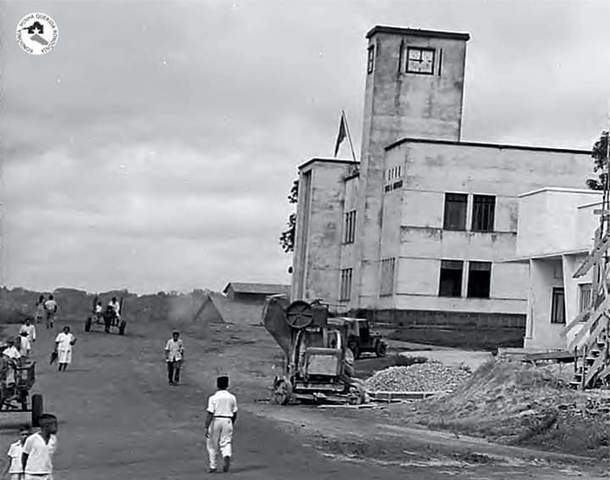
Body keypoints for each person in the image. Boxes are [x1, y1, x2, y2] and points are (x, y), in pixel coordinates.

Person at [204, 376, 238, 473]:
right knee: (226, 442)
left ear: (217, 385)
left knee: (212, 444)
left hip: (216, 420)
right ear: (227, 385)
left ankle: (213, 465)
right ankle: (226, 454)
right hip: (227, 420)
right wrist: (232, 422)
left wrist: (207, 426)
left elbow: (210, 412)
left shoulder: (213, 398)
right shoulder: (232, 397)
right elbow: (235, 412)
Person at [22, 414, 58, 480]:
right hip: (32, 475)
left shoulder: (53, 439)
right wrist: (25, 472)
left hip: (47, 473)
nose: (56, 427)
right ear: (46, 426)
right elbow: (25, 455)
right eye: (54, 425)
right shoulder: (32, 439)